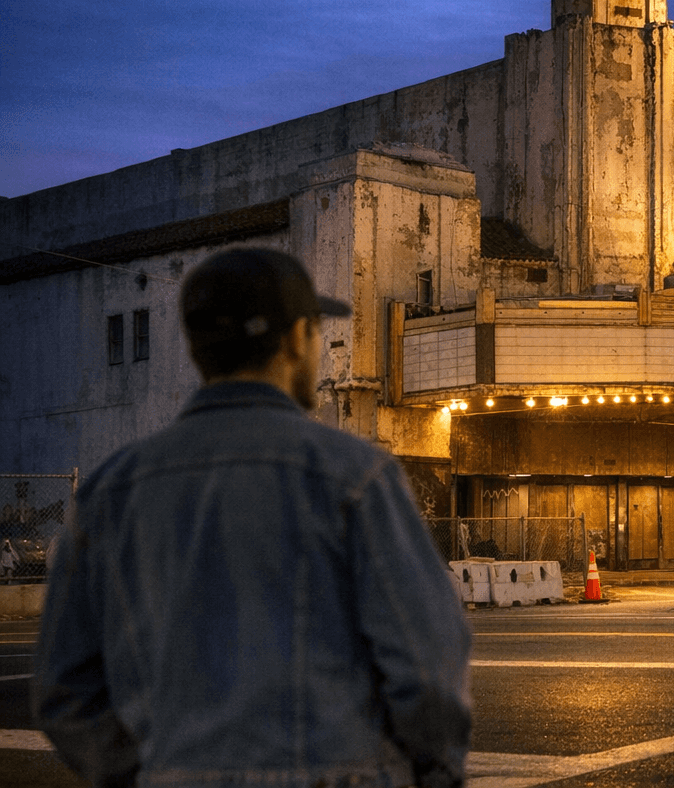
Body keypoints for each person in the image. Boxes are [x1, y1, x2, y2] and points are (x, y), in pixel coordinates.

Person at [33, 248, 473, 788]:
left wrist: (146, 771)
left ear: (198, 348)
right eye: (315, 331)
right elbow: (427, 664)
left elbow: (62, 689)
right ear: (295, 339)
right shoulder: (356, 477)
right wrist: (433, 769)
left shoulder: (107, 492)